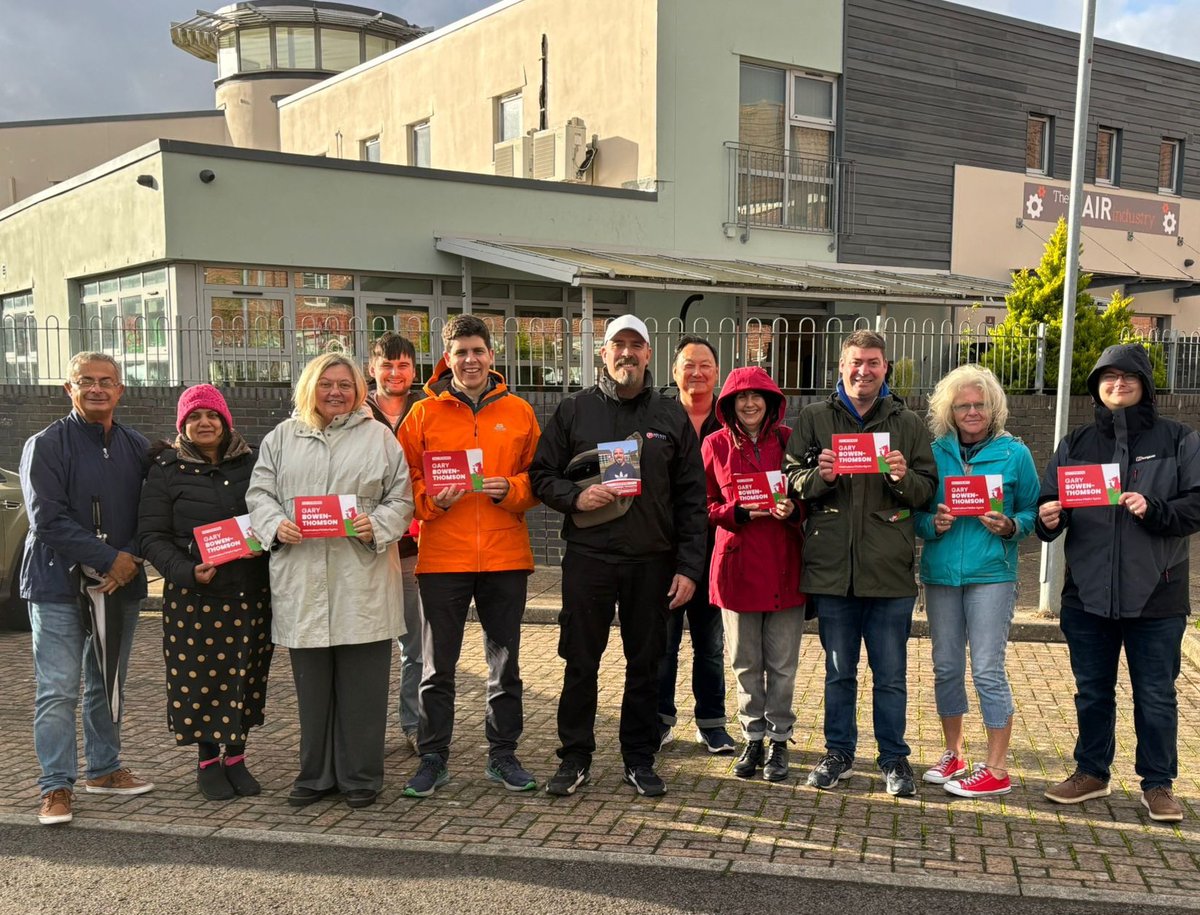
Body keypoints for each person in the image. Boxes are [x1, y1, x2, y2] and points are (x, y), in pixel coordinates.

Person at [530, 314, 707, 798]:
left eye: (637, 345)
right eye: (618, 345)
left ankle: (638, 757)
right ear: (603, 353)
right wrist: (574, 498)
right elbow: (541, 474)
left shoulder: (670, 417)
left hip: (652, 562)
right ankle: (574, 757)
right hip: (589, 558)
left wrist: (690, 568)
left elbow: (694, 498)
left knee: (645, 662)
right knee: (580, 659)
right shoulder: (574, 410)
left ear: (649, 355)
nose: (627, 353)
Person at [1036, 343, 1200, 823]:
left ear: (1145, 384)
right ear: (1096, 387)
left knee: (1155, 693)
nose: (1117, 384)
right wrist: (1048, 518)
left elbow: (1196, 506)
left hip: (1157, 594)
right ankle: (1091, 773)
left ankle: (1158, 784)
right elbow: (1049, 509)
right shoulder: (1075, 444)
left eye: (1127, 377)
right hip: (1086, 595)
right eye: (1107, 378)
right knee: (1092, 690)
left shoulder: (1180, 440)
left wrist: (1156, 509)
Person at [247, 353, 413, 810]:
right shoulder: (282, 437)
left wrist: (375, 526)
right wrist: (276, 524)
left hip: (361, 578)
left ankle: (361, 776)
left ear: (359, 390)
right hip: (302, 579)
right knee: (313, 690)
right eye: (327, 384)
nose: (336, 392)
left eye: (345, 384)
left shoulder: (379, 437)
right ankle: (316, 774)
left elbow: (402, 498)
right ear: (310, 388)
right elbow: (259, 493)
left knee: (364, 687)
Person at [783, 329, 937, 797]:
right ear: (841, 366)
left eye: (873, 362)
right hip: (832, 571)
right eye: (855, 362)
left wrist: (901, 477)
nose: (863, 370)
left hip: (888, 572)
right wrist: (819, 477)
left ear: (885, 368)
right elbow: (791, 478)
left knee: (891, 675)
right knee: (838, 672)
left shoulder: (907, 422)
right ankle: (839, 754)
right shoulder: (813, 417)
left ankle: (893, 758)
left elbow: (927, 489)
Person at [397, 315, 542, 798]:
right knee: (438, 666)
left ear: (491, 355)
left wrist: (513, 489)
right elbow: (406, 482)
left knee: (505, 663)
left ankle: (503, 755)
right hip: (443, 557)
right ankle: (433, 756)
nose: (470, 359)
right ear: (447, 357)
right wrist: (431, 502)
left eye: (478, 350)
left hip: (504, 555)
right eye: (461, 352)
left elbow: (537, 478)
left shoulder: (520, 411)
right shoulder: (421, 415)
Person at [19, 351, 154, 826]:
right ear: (68, 389)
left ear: (121, 390)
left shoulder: (137, 446)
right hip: (56, 584)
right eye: (86, 381)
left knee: (107, 683)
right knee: (58, 689)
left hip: (120, 586)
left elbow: (153, 514)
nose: (97, 388)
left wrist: (130, 561)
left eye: (106, 381)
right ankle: (55, 786)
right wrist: (108, 559)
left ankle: (104, 768)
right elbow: (46, 519)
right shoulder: (46, 445)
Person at [137, 384, 273, 801]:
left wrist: (266, 544)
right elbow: (151, 536)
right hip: (196, 595)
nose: (204, 423)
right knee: (201, 683)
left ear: (226, 420)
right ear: (183, 425)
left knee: (246, 677)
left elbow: (272, 513)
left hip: (250, 592)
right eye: (194, 417)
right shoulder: (166, 469)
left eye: (211, 415)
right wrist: (185, 571)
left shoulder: (253, 463)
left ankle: (236, 757)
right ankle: (207, 761)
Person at [913, 365, 1038, 798]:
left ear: (993, 408)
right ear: (949, 409)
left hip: (992, 576)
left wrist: (1010, 526)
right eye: (963, 405)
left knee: (987, 669)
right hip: (942, 574)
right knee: (946, 667)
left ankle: (997, 768)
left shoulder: (1014, 454)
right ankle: (954, 752)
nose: (972, 411)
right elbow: (916, 513)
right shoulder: (932, 453)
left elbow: (1032, 512)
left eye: (980, 405)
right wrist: (934, 523)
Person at [703, 366, 805, 781]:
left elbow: (809, 495)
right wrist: (735, 513)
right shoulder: (713, 445)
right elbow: (705, 504)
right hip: (737, 567)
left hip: (784, 566)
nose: (748, 404)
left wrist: (794, 510)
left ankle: (779, 740)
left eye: (757, 396)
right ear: (728, 404)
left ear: (770, 402)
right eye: (740, 398)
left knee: (782, 665)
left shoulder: (789, 441)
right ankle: (752, 737)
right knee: (744, 663)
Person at [657, 335, 734, 754]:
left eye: (705, 365)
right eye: (688, 364)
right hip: (665, 551)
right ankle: (660, 719)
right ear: (675, 372)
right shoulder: (658, 416)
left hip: (717, 549)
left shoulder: (731, 420)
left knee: (711, 644)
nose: (697, 372)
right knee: (662, 645)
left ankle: (712, 723)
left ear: (717, 372)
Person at [365, 331, 425, 755]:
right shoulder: (353, 411)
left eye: (402, 364)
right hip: (362, 547)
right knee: (364, 644)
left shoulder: (428, 411)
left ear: (413, 370)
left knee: (415, 644)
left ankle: (415, 724)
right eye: (387, 364)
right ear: (372, 369)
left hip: (411, 548)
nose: (395, 372)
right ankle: (361, 729)